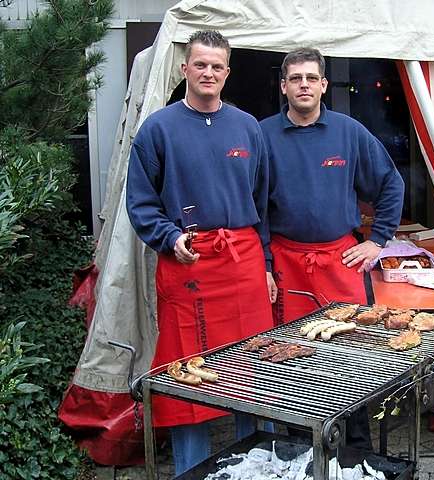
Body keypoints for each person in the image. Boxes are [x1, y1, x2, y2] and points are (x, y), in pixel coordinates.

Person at [126, 30, 277, 476]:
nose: (208, 72)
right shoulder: (157, 129)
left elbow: (262, 201)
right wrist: (170, 238)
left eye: (217, 66)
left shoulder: (248, 127)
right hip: (186, 261)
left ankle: (258, 464)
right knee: (185, 369)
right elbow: (141, 203)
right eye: (200, 64)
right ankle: (190, 471)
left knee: (254, 364)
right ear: (184, 69)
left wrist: (266, 264)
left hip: (243, 261)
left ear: (227, 73)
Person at [260, 48, 404, 449]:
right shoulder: (262, 135)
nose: (303, 85)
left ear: (323, 85)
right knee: (291, 361)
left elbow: (392, 184)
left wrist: (378, 240)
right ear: (284, 86)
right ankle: (300, 454)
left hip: (340, 262)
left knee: (351, 358)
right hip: (288, 263)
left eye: (311, 78)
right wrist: (266, 264)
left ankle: (356, 453)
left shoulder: (349, 132)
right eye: (295, 78)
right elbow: (254, 209)